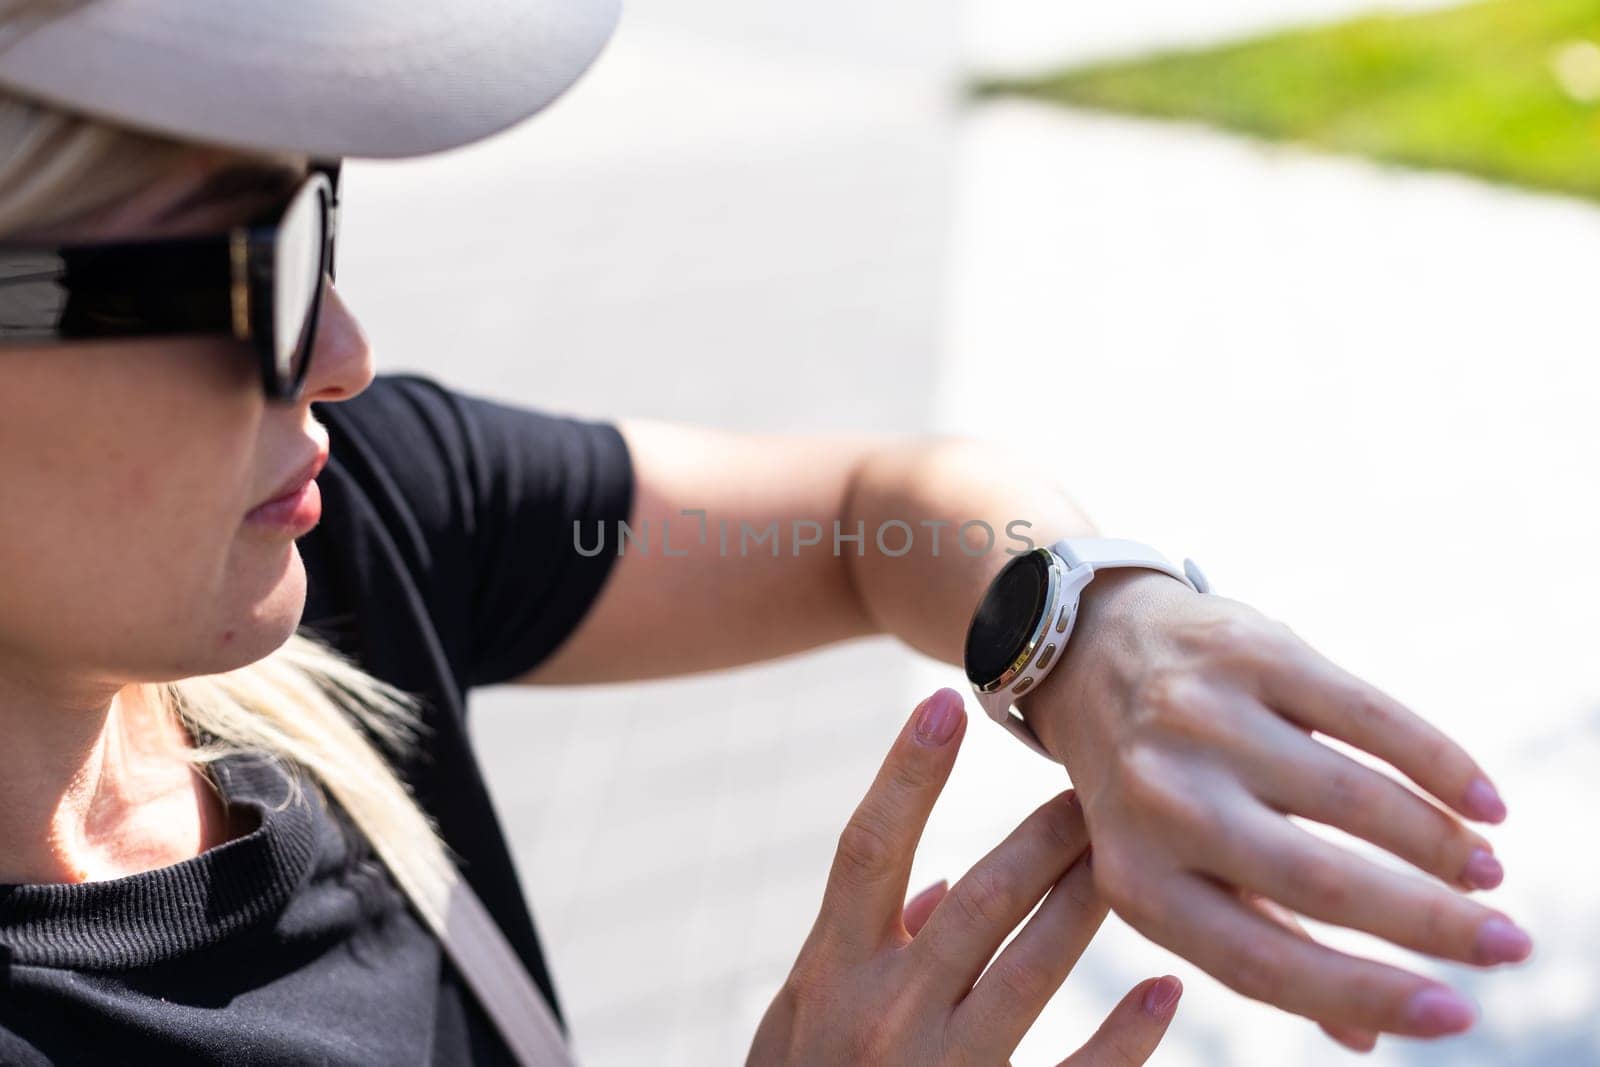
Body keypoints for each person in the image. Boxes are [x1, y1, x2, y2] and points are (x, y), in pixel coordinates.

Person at [0, 0, 1531, 1062]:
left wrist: (1093, 633)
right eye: (259, 260)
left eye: (320, 204)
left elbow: (873, 519)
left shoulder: (344, 529)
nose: (346, 349)